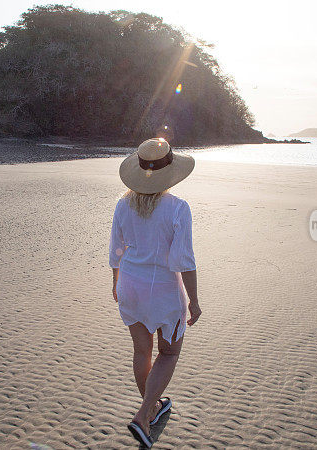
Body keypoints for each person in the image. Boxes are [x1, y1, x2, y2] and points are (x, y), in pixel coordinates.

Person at [110, 138, 202, 448]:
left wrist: (115, 282)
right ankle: (142, 416)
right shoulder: (177, 208)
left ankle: (152, 408)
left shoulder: (122, 204)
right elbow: (184, 260)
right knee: (169, 352)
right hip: (162, 290)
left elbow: (116, 250)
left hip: (130, 286)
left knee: (141, 351)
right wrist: (195, 301)